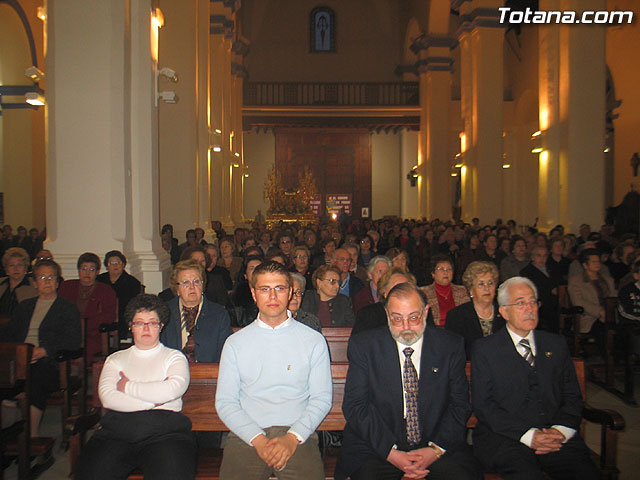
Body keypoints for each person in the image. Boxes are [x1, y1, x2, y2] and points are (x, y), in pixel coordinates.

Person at [335, 283, 477, 480]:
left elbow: (459, 405)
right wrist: (391, 453)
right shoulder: (365, 346)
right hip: (377, 445)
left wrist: (435, 450)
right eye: (397, 319)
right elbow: (356, 406)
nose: (406, 327)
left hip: (435, 440)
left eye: (413, 317)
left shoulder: (449, 345)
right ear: (387, 315)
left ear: (426, 312)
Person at [471, 277, 599, 480]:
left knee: (584, 473)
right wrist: (529, 436)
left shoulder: (555, 344)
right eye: (520, 303)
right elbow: (484, 405)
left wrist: (560, 430)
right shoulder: (485, 350)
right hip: (507, 437)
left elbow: (572, 395)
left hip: (556, 434)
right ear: (504, 311)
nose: (529, 308)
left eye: (533, 302)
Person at [215, 261, 332, 479]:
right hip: (246, 433)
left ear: (290, 293)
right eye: (264, 289)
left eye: (279, 288)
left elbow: (321, 399)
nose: (272, 296)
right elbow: (225, 402)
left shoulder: (313, 341)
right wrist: (257, 439)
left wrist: (292, 438)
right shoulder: (235, 343)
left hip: (297, 433)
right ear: (253, 293)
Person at [74, 294, 196, 480]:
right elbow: (107, 397)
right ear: (131, 326)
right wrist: (154, 401)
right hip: (117, 432)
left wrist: (127, 386)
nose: (146, 328)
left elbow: (173, 389)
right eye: (139, 323)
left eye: (152, 323)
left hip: (165, 433)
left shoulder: (174, 357)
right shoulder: (115, 359)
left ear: (161, 326)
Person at [4, 259, 81, 436]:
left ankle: (31, 437)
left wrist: (44, 350)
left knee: (35, 380)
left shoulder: (67, 308)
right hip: (19, 359)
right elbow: (10, 335)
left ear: (57, 281)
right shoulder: (24, 307)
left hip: (51, 363)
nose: (46, 281)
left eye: (51, 277)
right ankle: (9, 431)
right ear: (35, 282)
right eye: (42, 277)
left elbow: (72, 340)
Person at [161, 259, 232, 362]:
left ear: (203, 286)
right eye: (186, 282)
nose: (192, 287)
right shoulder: (165, 312)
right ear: (177, 289)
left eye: (196, 281)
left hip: (209, 374)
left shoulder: (219, 314)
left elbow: (224, 353)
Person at [59, 252, 118, 359]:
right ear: (78, 270)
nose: (87, 273)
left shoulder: (106, 290)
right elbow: (58, 310)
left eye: (92, 269)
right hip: (66, 332)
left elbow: (109, 316)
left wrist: (84, 324)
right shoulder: (66, 287)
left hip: (92, 335)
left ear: (97, 272)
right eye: (84, 268)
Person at [446, 261, 505, 359]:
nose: (487, 288)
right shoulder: (456, 316)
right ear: (471, 290)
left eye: (490, 283)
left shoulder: (505, 312)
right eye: (481, 284)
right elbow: (454, 352)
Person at [568, 248, 616, 357]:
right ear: (585, 265)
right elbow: (578, 301)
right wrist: (600, 312)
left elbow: (613, 297)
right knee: (602, 329)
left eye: (598, 261)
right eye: (593, 262)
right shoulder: (576, 281)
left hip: (610, 315)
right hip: (589, 317)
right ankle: (608, 358)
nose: (597, 264)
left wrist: (609, 312)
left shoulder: (608, 280)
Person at [96, 250, 143, 339]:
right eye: (111, 263)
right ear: (107, 266)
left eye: (118, 262)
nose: (115, 265)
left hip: (123, 317)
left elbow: (132, 306)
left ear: (123, 265)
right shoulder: (99, 280)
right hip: (103, 315)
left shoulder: (132, 283)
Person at [421, 254, 469, 327]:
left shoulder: (463, 291)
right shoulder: (423, 293)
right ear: (433, 274)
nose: (445, 272)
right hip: (435, 332)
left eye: (449, 269)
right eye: (441, 269)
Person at [521, 246, 559, 333]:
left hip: (556, 303)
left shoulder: (552, 269)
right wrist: (549, 290)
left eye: (545, 256)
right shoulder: (527, 272)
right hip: (540, 303)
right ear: (532, 257)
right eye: (539, 255)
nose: (542, 258)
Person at [0, 247, 37, 319]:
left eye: (19, 265)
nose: (16, 269)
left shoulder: (34, 285)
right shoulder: (1, 283)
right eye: (11, 265)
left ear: (26, 267)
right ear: (6, 269)